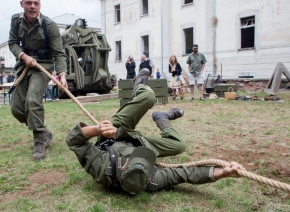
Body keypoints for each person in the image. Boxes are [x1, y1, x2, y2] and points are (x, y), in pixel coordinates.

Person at [67, 68, 246, 195]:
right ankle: (162, 118)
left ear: (122, 166)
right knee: (179, 145)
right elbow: (185, 174)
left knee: (148, 96)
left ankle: (139, 86)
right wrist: (224, 172)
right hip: (139, 141)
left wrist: (97, 129)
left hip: (113, 133)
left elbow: (74, 141)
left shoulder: (100, 167)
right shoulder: (152, 180)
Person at [8, 0, 68, 161]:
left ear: (40, 4)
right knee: (16, 108)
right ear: (22, 4)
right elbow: (12, 43)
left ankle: (39, 142)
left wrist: (62, 75)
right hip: (24, 66)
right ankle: (43, 132)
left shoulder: (49, 25)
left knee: (33, 100)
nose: (32, 6)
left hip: (43, 67)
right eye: (28, 3)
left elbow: (59, 52)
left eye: (36, 3)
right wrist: (22, 55)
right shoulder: (15, 21)